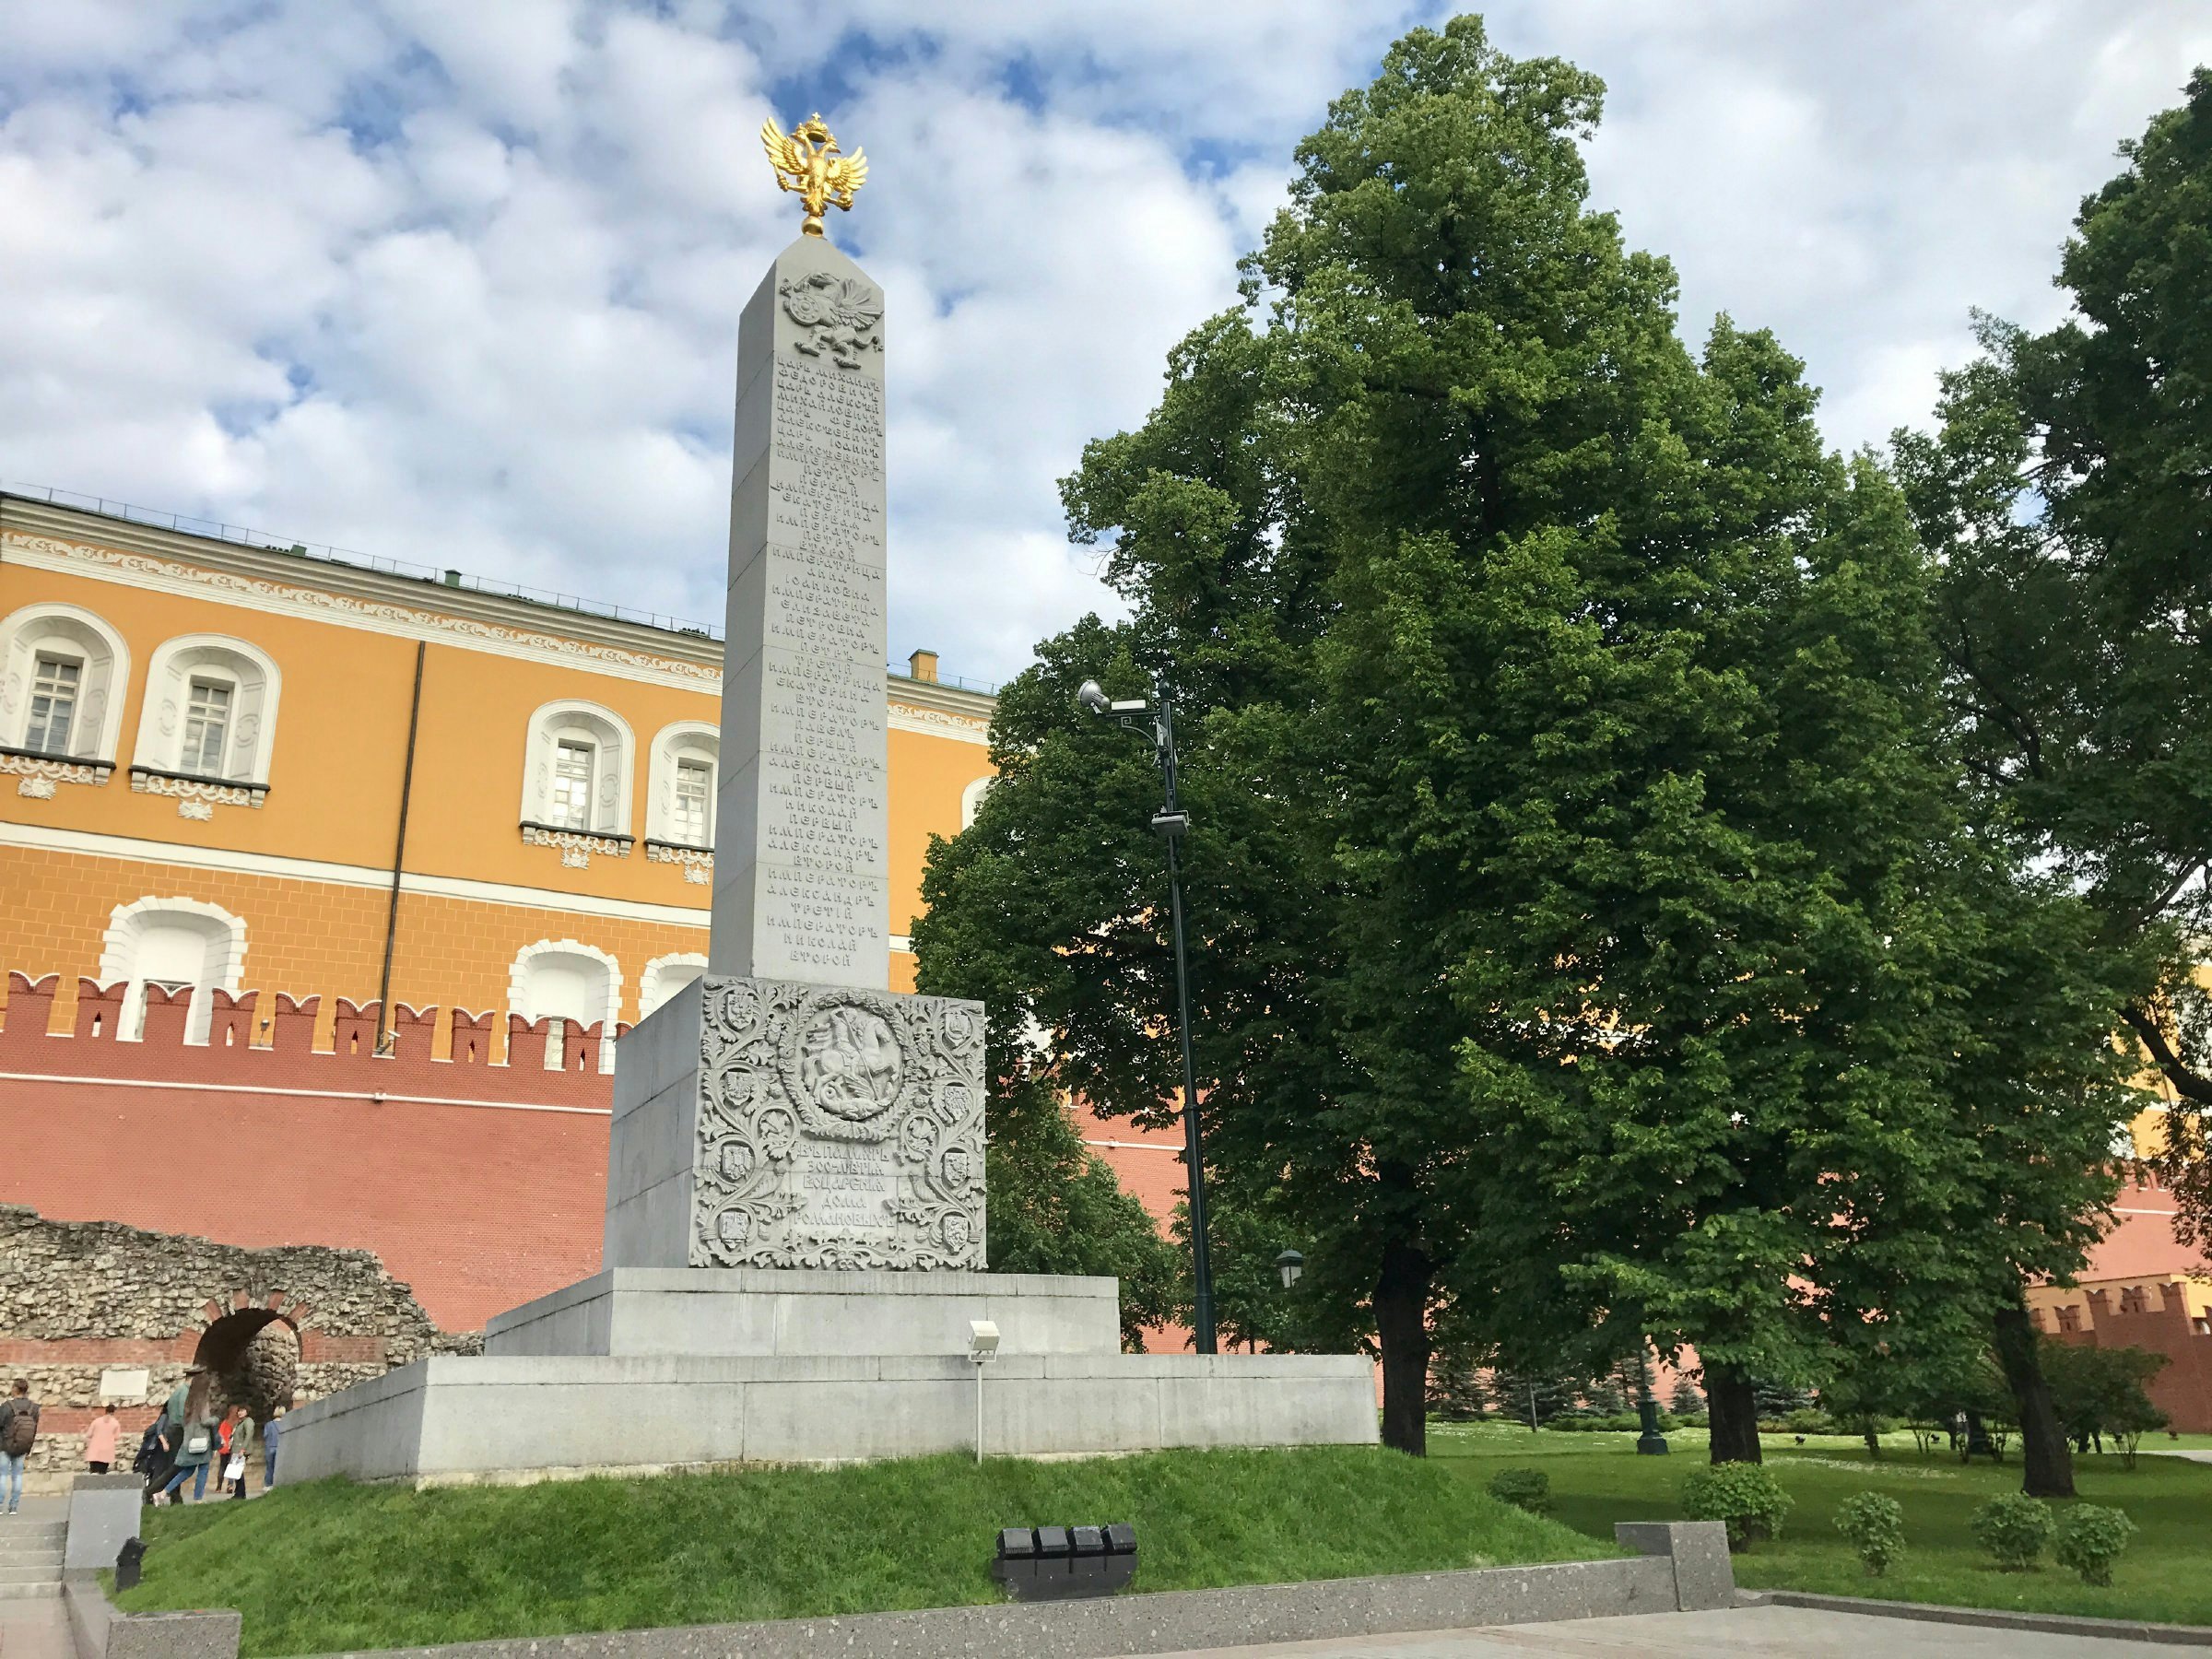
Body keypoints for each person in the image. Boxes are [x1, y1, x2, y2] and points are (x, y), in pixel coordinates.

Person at [156, 1392, 216, 1505]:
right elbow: (206, 1422)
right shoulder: (202, 1408)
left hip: (190, 1442)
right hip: (201, 1442)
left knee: (187, 1470)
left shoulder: (187, 1413)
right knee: (203, 1468)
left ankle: (163, 1492)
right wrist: (215, 1420)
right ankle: (198, 1497)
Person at [0, 1380, 38, 1514]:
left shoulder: (6, 1406)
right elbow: (34, 1428)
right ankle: (14, 1507)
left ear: (15, 1389)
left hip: (6, 1445)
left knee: (3, 1475)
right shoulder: (34, 1407)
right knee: (17, 1476)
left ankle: (0, 1506)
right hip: (23, 1445)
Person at [222, 1406, 253, 1499]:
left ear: (247, 1412)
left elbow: (248, 1436)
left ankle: (240, 1493)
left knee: (238, 1472)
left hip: (241, 1451)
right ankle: (239, 1493)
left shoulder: (248, 1422)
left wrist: (243, 1449)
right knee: (236, 1472)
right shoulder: (240, 1423)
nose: (240, 1413)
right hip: (235, 1450)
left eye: (242, 1411)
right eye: (239, 1411)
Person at [83, 1403, 122, 1475]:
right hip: (107, 1450)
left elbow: (89, 1434)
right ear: (113, 1412)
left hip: (95, 1450)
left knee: (94, 1472)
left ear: (105, 1411)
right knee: (102, 1473)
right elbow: (117, 1437)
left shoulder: (96, 1421)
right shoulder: (116, 1423)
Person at [262, 1405, 283, 1490]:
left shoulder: (269, 1424)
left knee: (269, 1467)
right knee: (279, 1467)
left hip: (270, 1447)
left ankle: (268, 1485)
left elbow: (265, 1435)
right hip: (280, 1447)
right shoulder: (285, 1424)